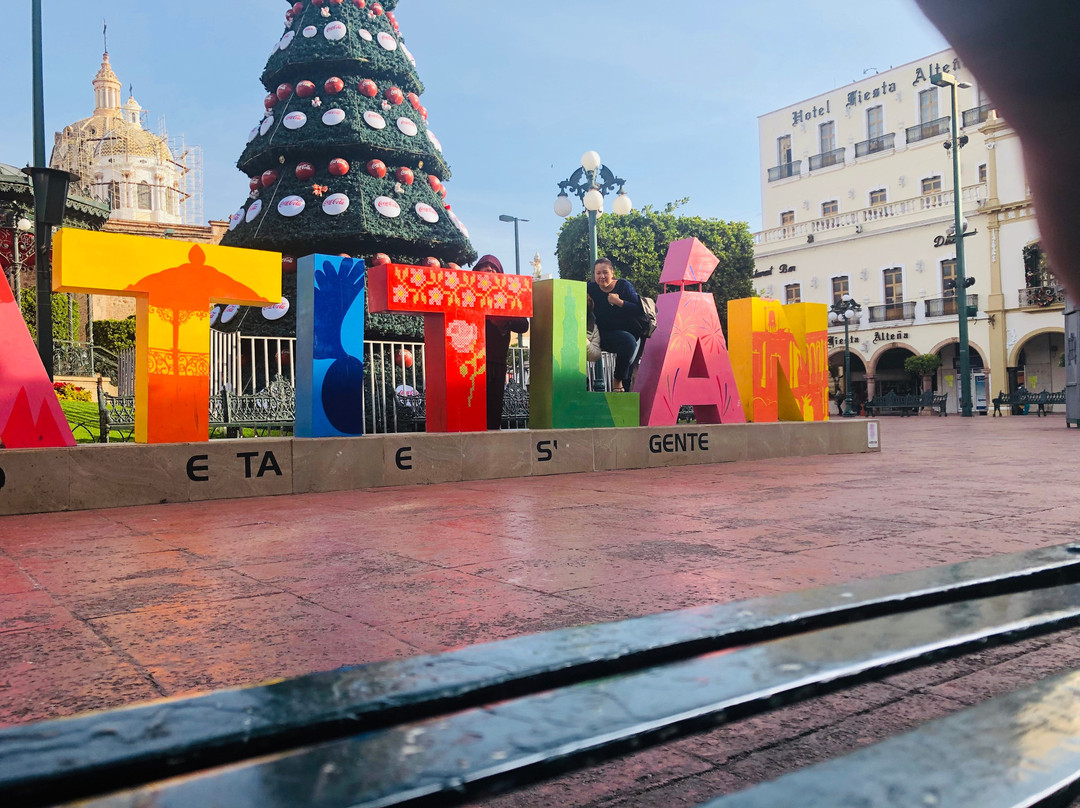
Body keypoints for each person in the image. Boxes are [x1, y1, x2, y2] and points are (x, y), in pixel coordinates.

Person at [475, 255, 529, 430]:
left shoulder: (508, 295)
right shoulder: (466, 292)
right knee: (471, 409)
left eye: (494, 268)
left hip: (496, 363)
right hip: (470, 363)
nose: (490, 270)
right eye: (486, 267)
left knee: (493, 413)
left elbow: (523, 325)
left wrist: (504, 321)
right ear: (477, 271)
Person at [586, 257, 643, 392]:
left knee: (626, 378)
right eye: (598, 273)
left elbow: (638, 309)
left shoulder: (623, 286)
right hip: (603, 335)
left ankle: (618, 383)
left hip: (629, 337)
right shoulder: (591, 288)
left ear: (612, 272)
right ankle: (581, 385)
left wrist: (620, 302)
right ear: (594, 275)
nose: (602, 276)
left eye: (605, 272)